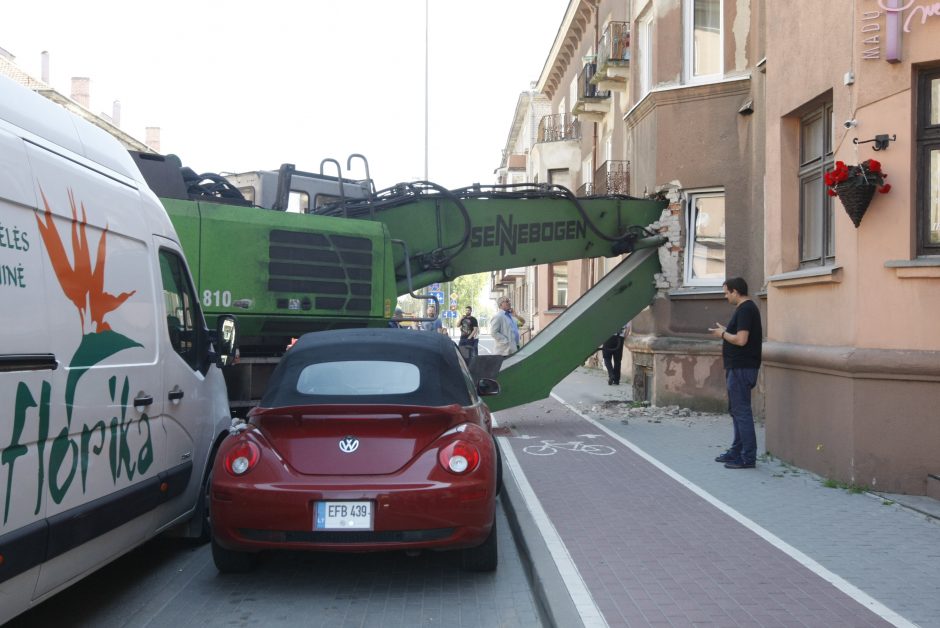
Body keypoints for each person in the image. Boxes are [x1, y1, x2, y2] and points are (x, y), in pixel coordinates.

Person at [709, 277, 763, 470]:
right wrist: (725, 330)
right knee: (736, 411)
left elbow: (741, 340)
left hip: (742, 368)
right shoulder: (745, 310)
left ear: (735, 291)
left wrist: (722, 334)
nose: (725, 296)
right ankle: (737, 451)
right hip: (738, 367)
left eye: (726, 292)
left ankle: (747, 457)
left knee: (742, 412)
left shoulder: (746, 309)